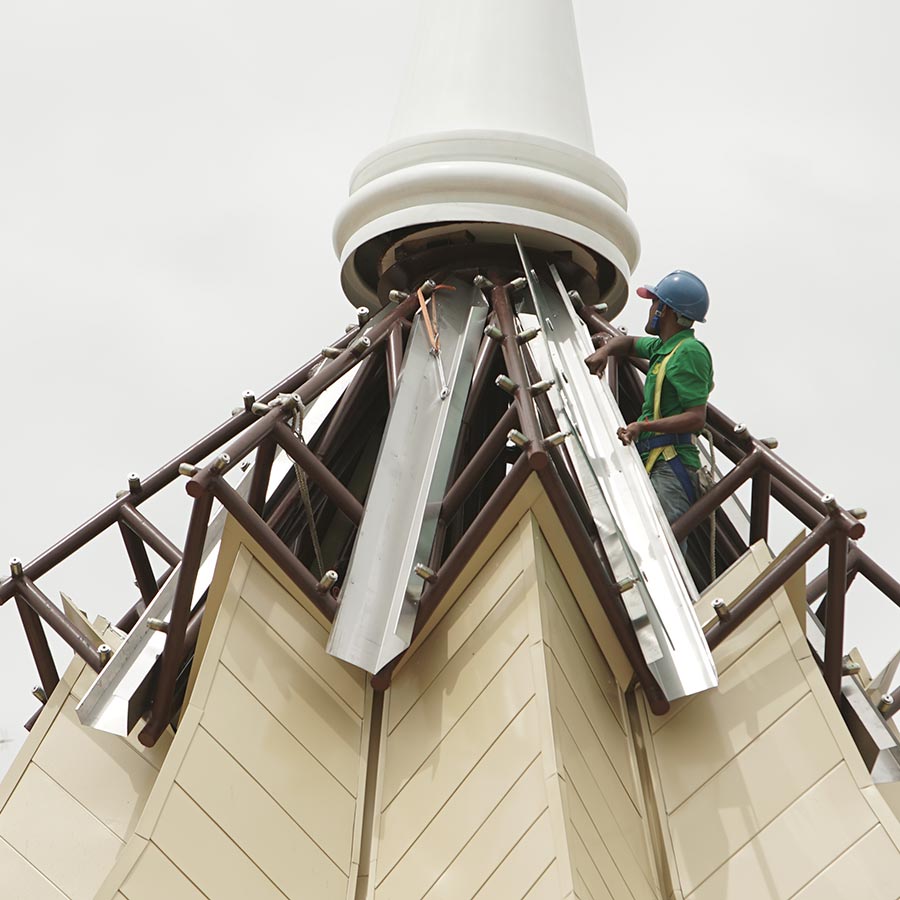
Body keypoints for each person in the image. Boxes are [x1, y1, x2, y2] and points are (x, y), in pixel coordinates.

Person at [585, 270, 713, 532]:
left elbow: (696, 417)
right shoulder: (663, 347)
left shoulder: (689, 352)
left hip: (672, 467)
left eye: (654, 302)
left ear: (663, 310)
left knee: (661, 540)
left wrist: (643, 427)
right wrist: (605, 351)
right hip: (655, 461)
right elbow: (629, 343)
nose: (650, 308)